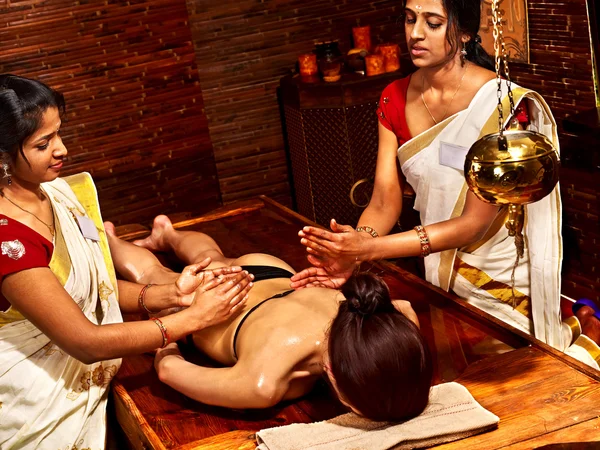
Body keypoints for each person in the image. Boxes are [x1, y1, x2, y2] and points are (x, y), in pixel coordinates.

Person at [290, 0, 600, 369]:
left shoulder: (499, 105)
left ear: (465, 33)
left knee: (527, 376)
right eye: (409, 19)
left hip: (497, 274)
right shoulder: (394, 96)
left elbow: (473, 224)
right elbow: (385, 199)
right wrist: (353, 249)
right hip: (439, 271)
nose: (415, 33)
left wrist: (367, 251)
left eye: (433, 23)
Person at [0, 74, 253, 449]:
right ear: (2, 157)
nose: (62, 149)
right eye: (43, 143)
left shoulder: (54, 194)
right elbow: (84, 341)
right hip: (37, 397)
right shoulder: (8, 242)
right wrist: (193, 319)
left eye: (59, 133)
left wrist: (172, 295)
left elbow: (96, 288)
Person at [104, 215, 433, 421]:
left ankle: (168, 234)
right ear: (346, 399)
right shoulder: (263, 382)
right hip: (215, 299)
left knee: (211, 258)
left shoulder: (377, 315)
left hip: (273, 271)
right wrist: (174, 324)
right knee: (153, 273)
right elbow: (168, 370)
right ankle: (108, 238)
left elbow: (403, 308)